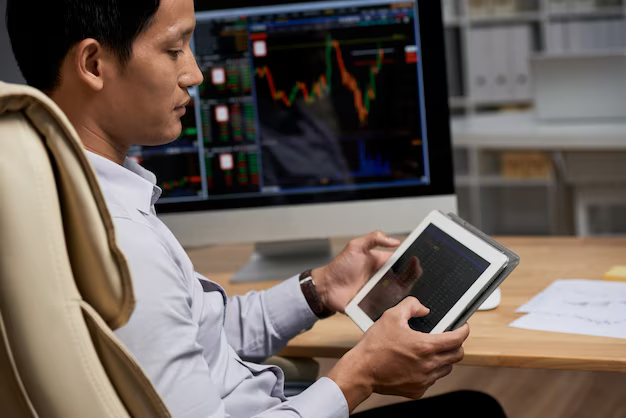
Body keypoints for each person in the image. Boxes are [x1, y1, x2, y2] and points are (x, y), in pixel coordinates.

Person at [5, 1, 506, 417]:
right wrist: (359, 376)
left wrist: (320, 288)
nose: (195, 74)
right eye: (174, 49)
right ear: (94, 64)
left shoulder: (72, 196)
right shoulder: (123, 244)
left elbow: (191, 333)